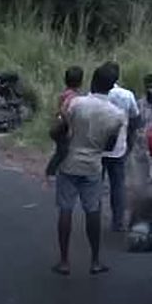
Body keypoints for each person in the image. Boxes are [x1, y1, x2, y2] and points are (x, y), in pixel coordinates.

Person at [52, 65, 123, 276]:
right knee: (93, 211)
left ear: (92, 81)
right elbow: (109, 147)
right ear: (111, 87)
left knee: (65, 209)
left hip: (70, 161)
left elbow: (61, 129)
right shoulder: (116, 115)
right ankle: (95, 261)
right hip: (93, 164)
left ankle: (64, 261)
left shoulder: (76, 103)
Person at [102, 62, 140, 232]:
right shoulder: (126, 95)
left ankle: (93, 216)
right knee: (118, 185)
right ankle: (117, 222)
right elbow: (135, 119)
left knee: (96, 184)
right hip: (119, 147)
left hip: (98, 147)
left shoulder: (97, 94)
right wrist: (129, 140)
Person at [45, 66, 84, 178]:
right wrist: (70, 125)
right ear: (80, 82)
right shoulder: (73, 97)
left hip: (58, 125)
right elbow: (64, 110)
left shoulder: (65, 93)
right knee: (63, 151)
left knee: (62, 150)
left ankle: (54, 171)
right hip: (64, 127)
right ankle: (51, 172)